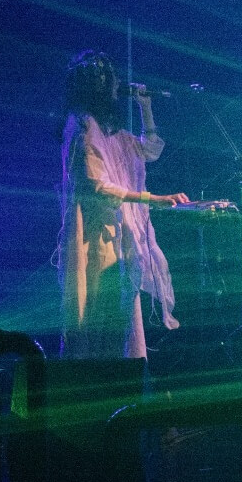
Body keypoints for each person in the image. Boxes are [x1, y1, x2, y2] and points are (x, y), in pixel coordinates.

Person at [58, 50, 190, 359]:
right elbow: (97, 186)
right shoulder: (83, 125)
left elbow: (150, 150)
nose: (118, 84)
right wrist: (152, 199)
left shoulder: (110, 130)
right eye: (112, 78)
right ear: (99, 84)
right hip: (95, 239)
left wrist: (146, 108)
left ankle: (123, 375)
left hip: (118, 237)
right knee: (97, 314)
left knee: (122, 317)